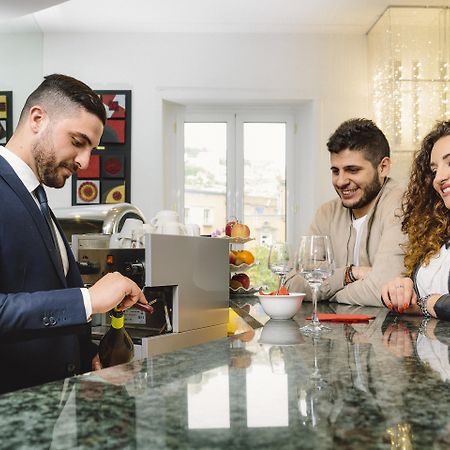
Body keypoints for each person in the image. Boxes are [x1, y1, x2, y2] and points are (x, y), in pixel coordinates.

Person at [0, 74, 148, 393]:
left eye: (92, 149)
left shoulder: (36, 200)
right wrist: (88, 299)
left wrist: (87, 361)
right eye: (78, 142)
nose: (84, 161)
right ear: (38, 119)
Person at [285, 118, 405, 306]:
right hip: (337, 332)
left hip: (391, 332)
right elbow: (291, 284)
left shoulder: (401, 204)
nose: (341, 181)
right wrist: (349, 274)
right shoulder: (326, 213)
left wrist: (328, 295)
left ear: (383, 167)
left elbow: (381, 289)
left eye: (352, 170)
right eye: (335, 171)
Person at [382, 120, 450, 320]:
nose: (438, 178)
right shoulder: (436, 233)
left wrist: (427, 303)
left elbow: (428, 304)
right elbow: (414, 301)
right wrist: (400, 290)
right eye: (434, 169)